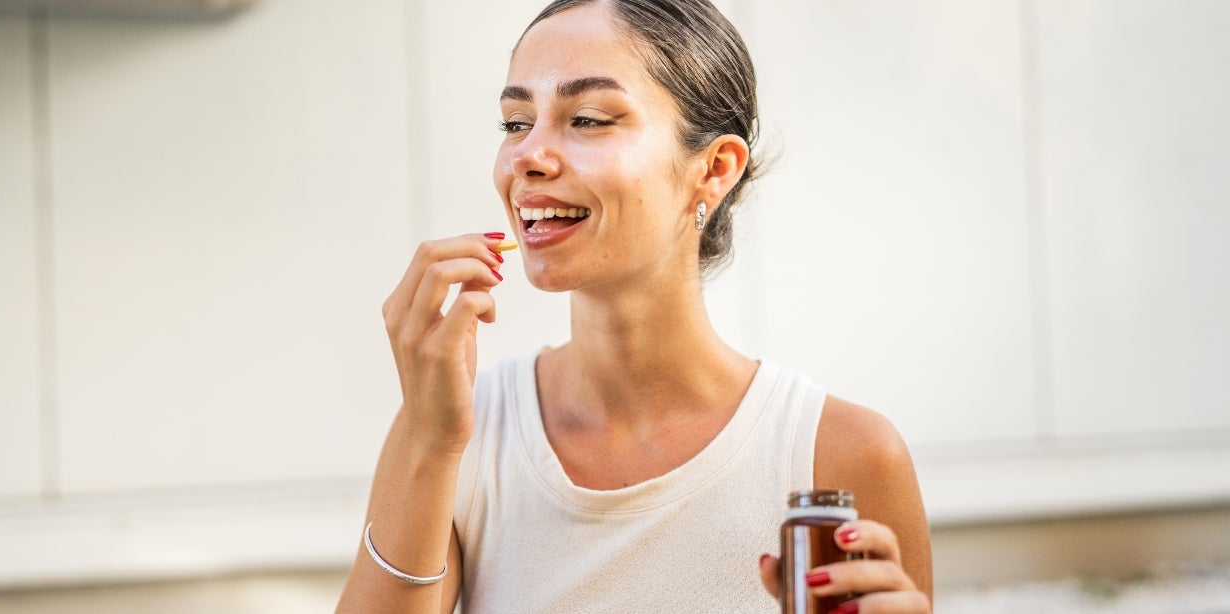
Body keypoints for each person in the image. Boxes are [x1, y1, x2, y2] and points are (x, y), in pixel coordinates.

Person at [338, 0, 932, 611]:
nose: (525, 159)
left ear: (714, 169)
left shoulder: (845, 455)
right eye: (516, 123)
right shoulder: (455, 431)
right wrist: (431, 447)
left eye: (590, 119)